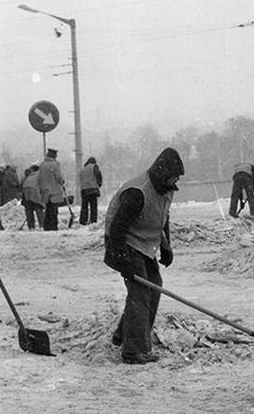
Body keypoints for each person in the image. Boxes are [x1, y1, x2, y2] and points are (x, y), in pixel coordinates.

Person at [104, 148, 184, 364]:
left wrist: (166, 245)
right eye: (173, 176)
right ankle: (133, 350)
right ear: (162, 172)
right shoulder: (137, 192)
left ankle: (124, 335)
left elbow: (162, 217)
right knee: (140, 291)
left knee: (154, 284)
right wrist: (122, 259)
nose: (176, 180)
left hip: (144, 243)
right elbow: (118, 228)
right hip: (123, 242)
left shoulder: (166, 188)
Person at [37, 148, 66, 231]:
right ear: (53, 155)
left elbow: (39, 178)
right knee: (54, 210)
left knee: (48, 210)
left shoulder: (42, 165)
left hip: (45, 191)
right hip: (54, 190)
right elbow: (58, 177)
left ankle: (46, 226)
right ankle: (53, 226)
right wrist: (62, 181)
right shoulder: (54, 165)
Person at [79, 157, 103, 225]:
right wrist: (99, 183)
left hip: (84, 190)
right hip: (92, 189)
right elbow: (98, 175)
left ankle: (83, 221)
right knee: (93, 207)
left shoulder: (83, 169)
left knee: (84, 207)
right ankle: (93, 221)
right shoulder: (94, 166)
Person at [21, 165, 45, 230]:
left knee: (29, 209)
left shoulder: (29, 175)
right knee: (38, 208)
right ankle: (42, 225)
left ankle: (31, 226)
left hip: (26, 191)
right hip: (34, 191)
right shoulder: (40, 175)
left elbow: (23, 184)